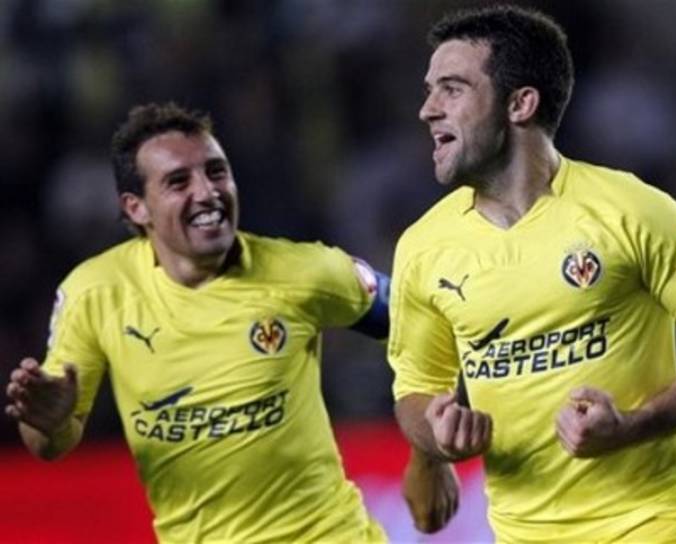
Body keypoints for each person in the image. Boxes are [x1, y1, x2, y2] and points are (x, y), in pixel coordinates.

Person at [388, 5, 676, 542]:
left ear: (520, 103)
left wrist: (632, 427)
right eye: (430, 91)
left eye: (452, 89)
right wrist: (437, 434)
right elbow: (416, 390)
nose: (428, 110)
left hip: (663, 523)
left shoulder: (632, 210)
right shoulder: (424, 247)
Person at [4, 102, 450, 542]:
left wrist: (427, 454)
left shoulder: (306, 272)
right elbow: (50, 443)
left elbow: (431, 326)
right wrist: (49, 421)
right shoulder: (96, 293)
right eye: (178, 181)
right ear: (136, 207)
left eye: (216, 172)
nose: (207, 192)